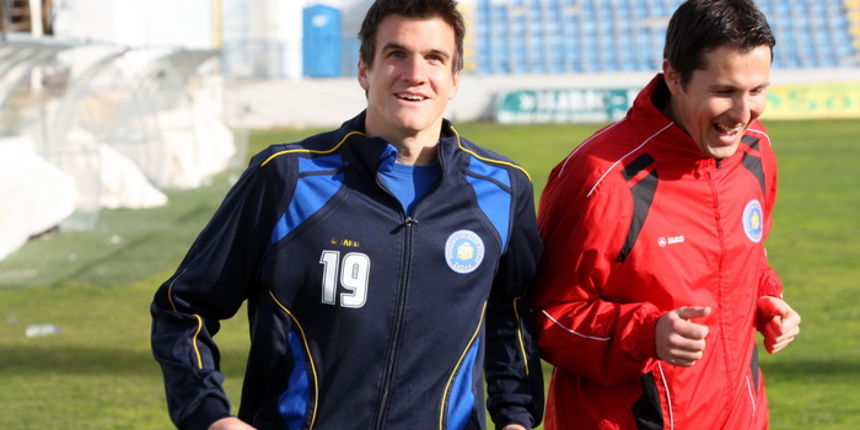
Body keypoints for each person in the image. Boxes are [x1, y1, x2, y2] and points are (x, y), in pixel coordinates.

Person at [150, 1, 544, 429]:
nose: (415, 73)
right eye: (396, 54)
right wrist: (209, 416)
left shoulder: (503, 189)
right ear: (364, 70)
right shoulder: (288, 178)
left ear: (454, 79)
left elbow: (511, 318)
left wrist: (516, 417)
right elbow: (183, 307)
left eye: (434, 57)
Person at [531, 0, 801, 429]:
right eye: (724, 92)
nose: (743, 113)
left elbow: (750, 253)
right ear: (674, 77)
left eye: (757, 91)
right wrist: (645, 334)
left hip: (742, 417)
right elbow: (548, 315)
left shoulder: (755, 150)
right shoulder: (601, 178)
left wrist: (767, 296)